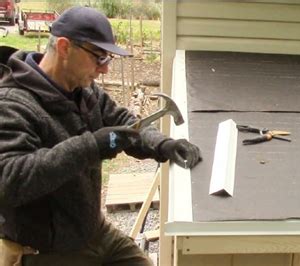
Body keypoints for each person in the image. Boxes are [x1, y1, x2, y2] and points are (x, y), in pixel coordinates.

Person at [0, 6, 201, 266]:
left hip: (94, 232)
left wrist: (162, 144)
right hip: (45, 251)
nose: (104, 70)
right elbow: (9, 180)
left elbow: (125, 122)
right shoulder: (13, 105)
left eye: (108, 59)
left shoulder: (84, 91)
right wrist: (91, 146)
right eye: (99, 58)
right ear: (64, 47)